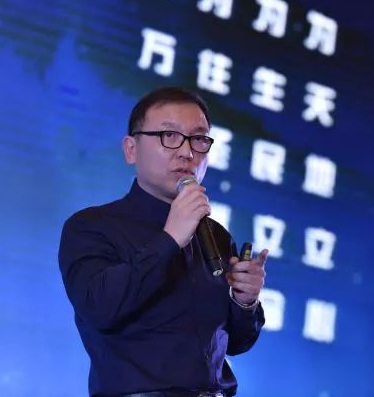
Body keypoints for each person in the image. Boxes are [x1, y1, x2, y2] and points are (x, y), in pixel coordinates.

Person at [58, 87, 268, 397]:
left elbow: (236, 342)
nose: (187, 152)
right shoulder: (92, 227)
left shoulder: (217, 237)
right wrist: (169, 239)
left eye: (199, 139)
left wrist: (245, 301)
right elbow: (101, 308)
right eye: (169, 136)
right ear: (131, 149)